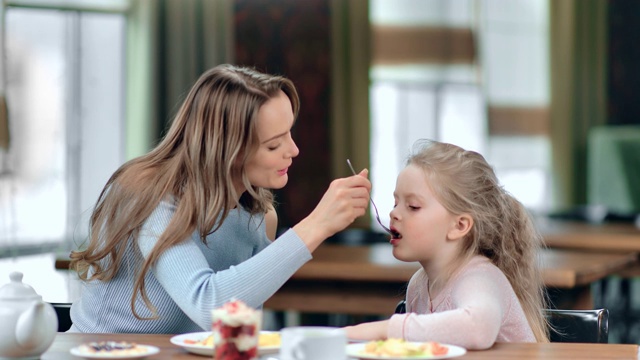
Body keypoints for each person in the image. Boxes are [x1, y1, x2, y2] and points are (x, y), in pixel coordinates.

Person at [67, 64, 371, 333]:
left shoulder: (259, 216)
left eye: (289, 133)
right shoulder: (147, 196)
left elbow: (240, 326)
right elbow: (210, 304)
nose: (293, 151)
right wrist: (317, 225)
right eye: (274, 144)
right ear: (229, 149)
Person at [344, 139, 549, 349]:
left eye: (413, 206)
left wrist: (387, 330)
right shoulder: (418, 286)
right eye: (396, 203)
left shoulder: (480, 277)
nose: (394, 213)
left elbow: (477, 329)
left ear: (459, 226)